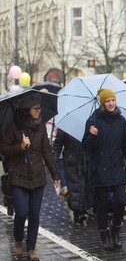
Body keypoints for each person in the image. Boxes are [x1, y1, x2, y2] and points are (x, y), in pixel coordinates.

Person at [0, 93, 60, 261]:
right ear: (27, 110)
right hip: (18, 177)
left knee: (34, 214)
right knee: (22, 212)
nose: (39, 112)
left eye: (40, 109)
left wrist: (55, 174)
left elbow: (47, 152)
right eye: (36, 109)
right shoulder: (13, 128)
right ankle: (18, 240)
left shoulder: (40, 127)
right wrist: (20, 147)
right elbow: (4, 150)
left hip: (38, 177)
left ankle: (31, 249)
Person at [82, 88, 126, 251]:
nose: (111, 103)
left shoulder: (121, 121)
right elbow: (85, 146)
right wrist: (91, 135)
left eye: (113, 100)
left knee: (120, 201)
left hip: (117, 168)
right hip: (99, 169)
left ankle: (116, 231)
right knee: (102, 205)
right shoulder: (93, 121)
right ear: (102, 103)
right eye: (107, 101)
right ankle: (104, 235)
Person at [52, 128, 93, 224]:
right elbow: (58, 145)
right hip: (72, 160)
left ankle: (84, 207)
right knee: (75, 186)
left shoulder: (91, 122)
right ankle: (78, 211)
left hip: (86, 159)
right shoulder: (65, 127)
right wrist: (54, 162)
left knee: (86, 185)